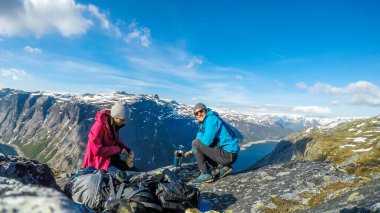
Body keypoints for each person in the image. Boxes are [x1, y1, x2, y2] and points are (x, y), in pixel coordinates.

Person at [184, 103, 240, 183]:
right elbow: (206, 144)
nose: (199, 114)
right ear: (195, 116)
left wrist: (199, 134)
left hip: (228, 154)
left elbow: (206, 142)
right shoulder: (208, 120)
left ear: (205, 110)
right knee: (197, 144)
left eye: (201, 111)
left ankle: (205, 174)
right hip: (229, 154)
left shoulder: (211, 119)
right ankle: (223, 167)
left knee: (195, 142)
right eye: (196, 113)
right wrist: (191, 151)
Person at [82, 100, 135, 172]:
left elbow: (115, 140)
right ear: (115, 116)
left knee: (134, 172)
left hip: (110, 160)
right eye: (122, 120)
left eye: (126, 120)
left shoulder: (114, 125)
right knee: (125, 178)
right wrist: (119, 149)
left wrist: (127, 149)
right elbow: (97, 150)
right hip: (98, 165)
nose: (124, 123)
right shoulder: (98, 126)